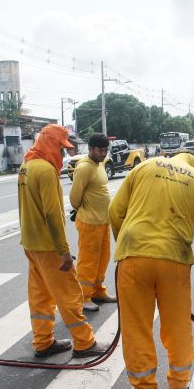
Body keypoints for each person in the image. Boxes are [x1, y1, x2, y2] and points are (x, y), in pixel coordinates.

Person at [109, 152, 194, 389]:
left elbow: (115, 211)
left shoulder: (143, 167)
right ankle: (179, 385)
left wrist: (125, 246)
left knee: (137, 327)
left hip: (133, 257)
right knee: (177, 325)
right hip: (175, 260)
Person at [17, 124, 108, 358]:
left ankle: (43, 341)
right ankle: (84, 342)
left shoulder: (26, 167)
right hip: (48, 246)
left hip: (31, 243)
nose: (62, 154)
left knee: (40, 296)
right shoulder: (46, 171)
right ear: (49, 144)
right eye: (60, 147)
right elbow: (52, 214)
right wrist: (63, 251)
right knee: (69, 293)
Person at [69, 133, 116, 313]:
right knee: (88, 262)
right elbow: (74, 198)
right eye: (100, 150)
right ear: (90, 149)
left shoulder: (100, 164)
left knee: (102, 260)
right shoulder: (84, 168)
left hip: (103, 222)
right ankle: (83, 297)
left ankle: (97, 291)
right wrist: (86, 209)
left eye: (105, 150)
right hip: (89, 223)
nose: (103, 154)